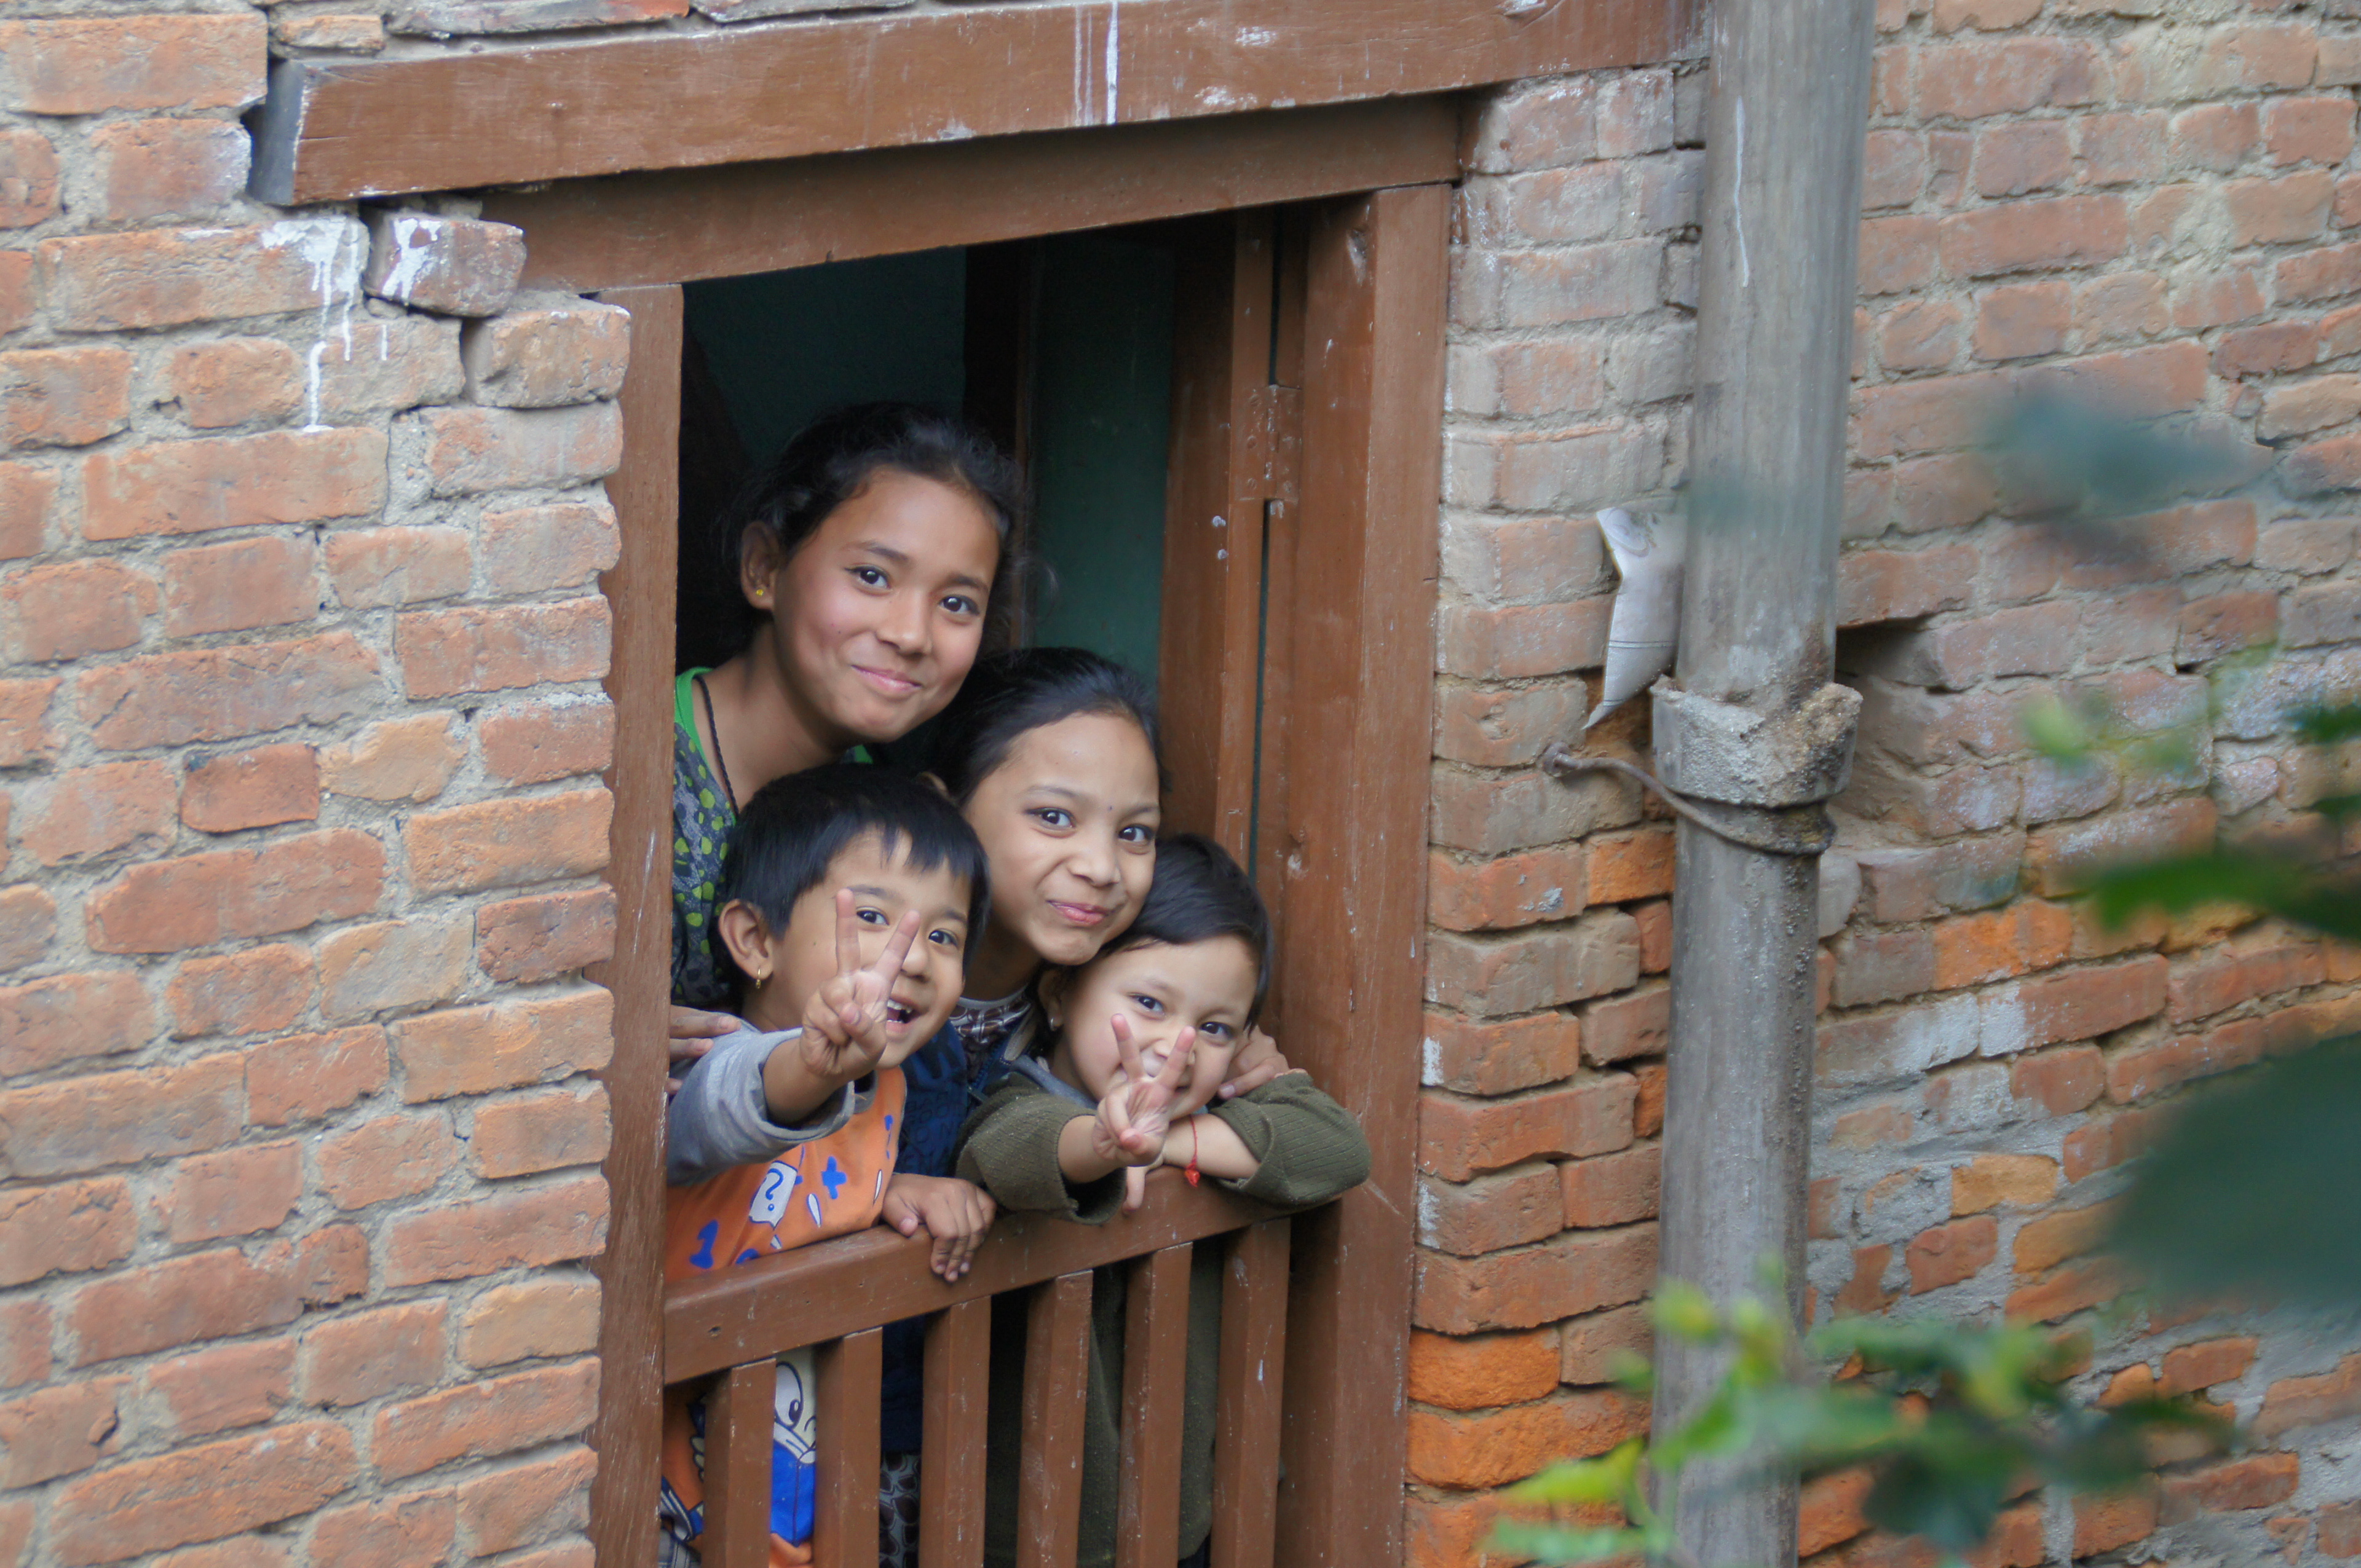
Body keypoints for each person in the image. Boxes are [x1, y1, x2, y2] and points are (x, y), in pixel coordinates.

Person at [951, 835, 1371, 1568]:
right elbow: (1012, 1148)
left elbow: (1338, 1147)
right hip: (1030, 1531)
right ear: (1058, 993)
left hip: (1173, 1518)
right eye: (1148, 1002)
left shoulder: (1193, 1118)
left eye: (1212, 1028)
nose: (1172, 1044)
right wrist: (1104, 1143)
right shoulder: (1017, 1097)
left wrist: (1171, 1144)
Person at [658, 766, 989, 1568]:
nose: (912, 957)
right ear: (755, 940)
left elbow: (813, 1180)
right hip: (671, 1503)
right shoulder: (709, 1063)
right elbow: (733, 1108)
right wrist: (815, 1064)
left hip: (801, 1507)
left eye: (942, 934)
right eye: (872, 916)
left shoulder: (891, 1089)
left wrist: (888, 1193)